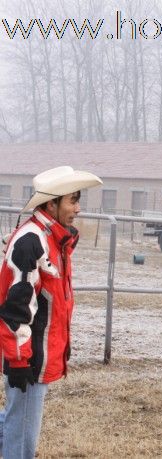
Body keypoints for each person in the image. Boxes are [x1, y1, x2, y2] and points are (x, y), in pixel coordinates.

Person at [0, 166, 102, 459]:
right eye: (73, 200)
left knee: (19, 420)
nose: (78, 209)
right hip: (29, 357)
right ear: (51, 204)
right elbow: (15, 308)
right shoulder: (32, 242)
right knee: (22, 440)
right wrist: (20, 360)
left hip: (39, 353)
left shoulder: (53, 240)